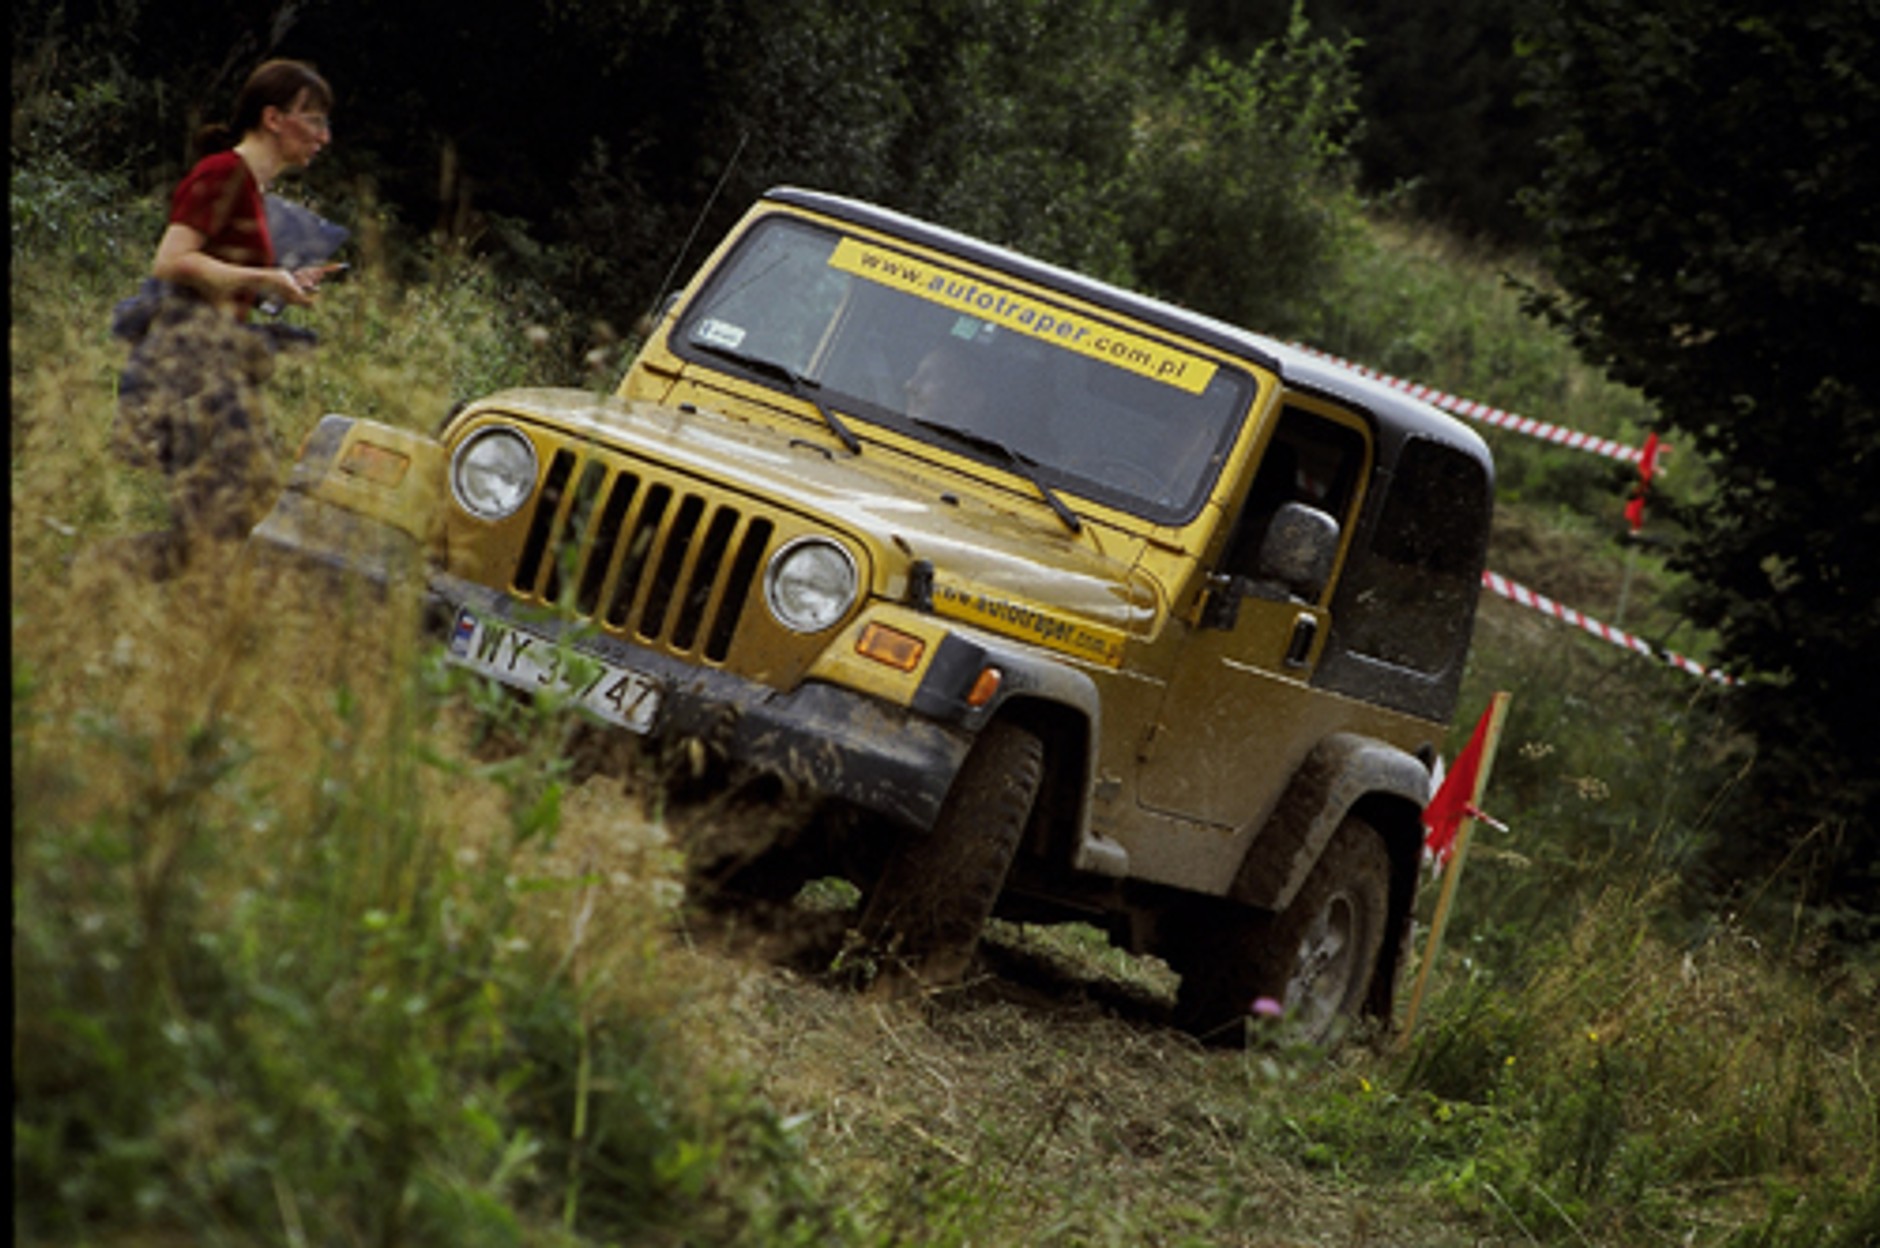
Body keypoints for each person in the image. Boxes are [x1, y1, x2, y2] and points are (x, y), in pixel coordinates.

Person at [111, 58, 341, 579]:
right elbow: (171, 262)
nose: (323, 137)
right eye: (314, 120)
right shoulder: (221, 173)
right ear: (273, 118)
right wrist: (267, 277)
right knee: (225, 517)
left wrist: (279, 284)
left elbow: (217, 275)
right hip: (189, 360)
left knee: (236, 511)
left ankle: (96, 581)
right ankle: (86, 576)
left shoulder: (250, 189)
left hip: (216, 359)